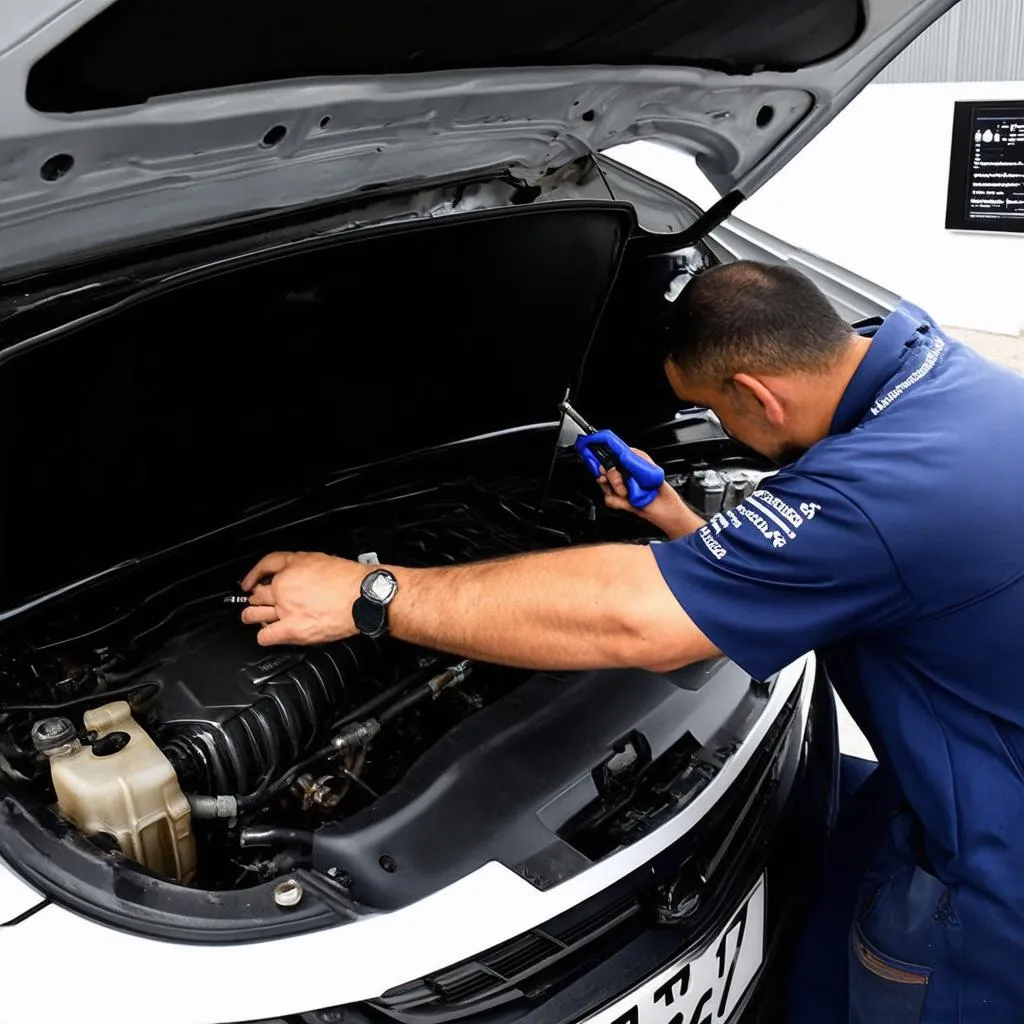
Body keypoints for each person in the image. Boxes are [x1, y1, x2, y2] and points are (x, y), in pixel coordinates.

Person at [240, 261, 1024, 1022]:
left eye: (717, 413)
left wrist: (373, 594)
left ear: (757, 392)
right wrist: (681, 521)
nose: (721, 432)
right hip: (946, 773)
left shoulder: (882, 485)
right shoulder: (935, 377)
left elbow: (639, 621)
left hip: (994, 872)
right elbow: (845, 566)